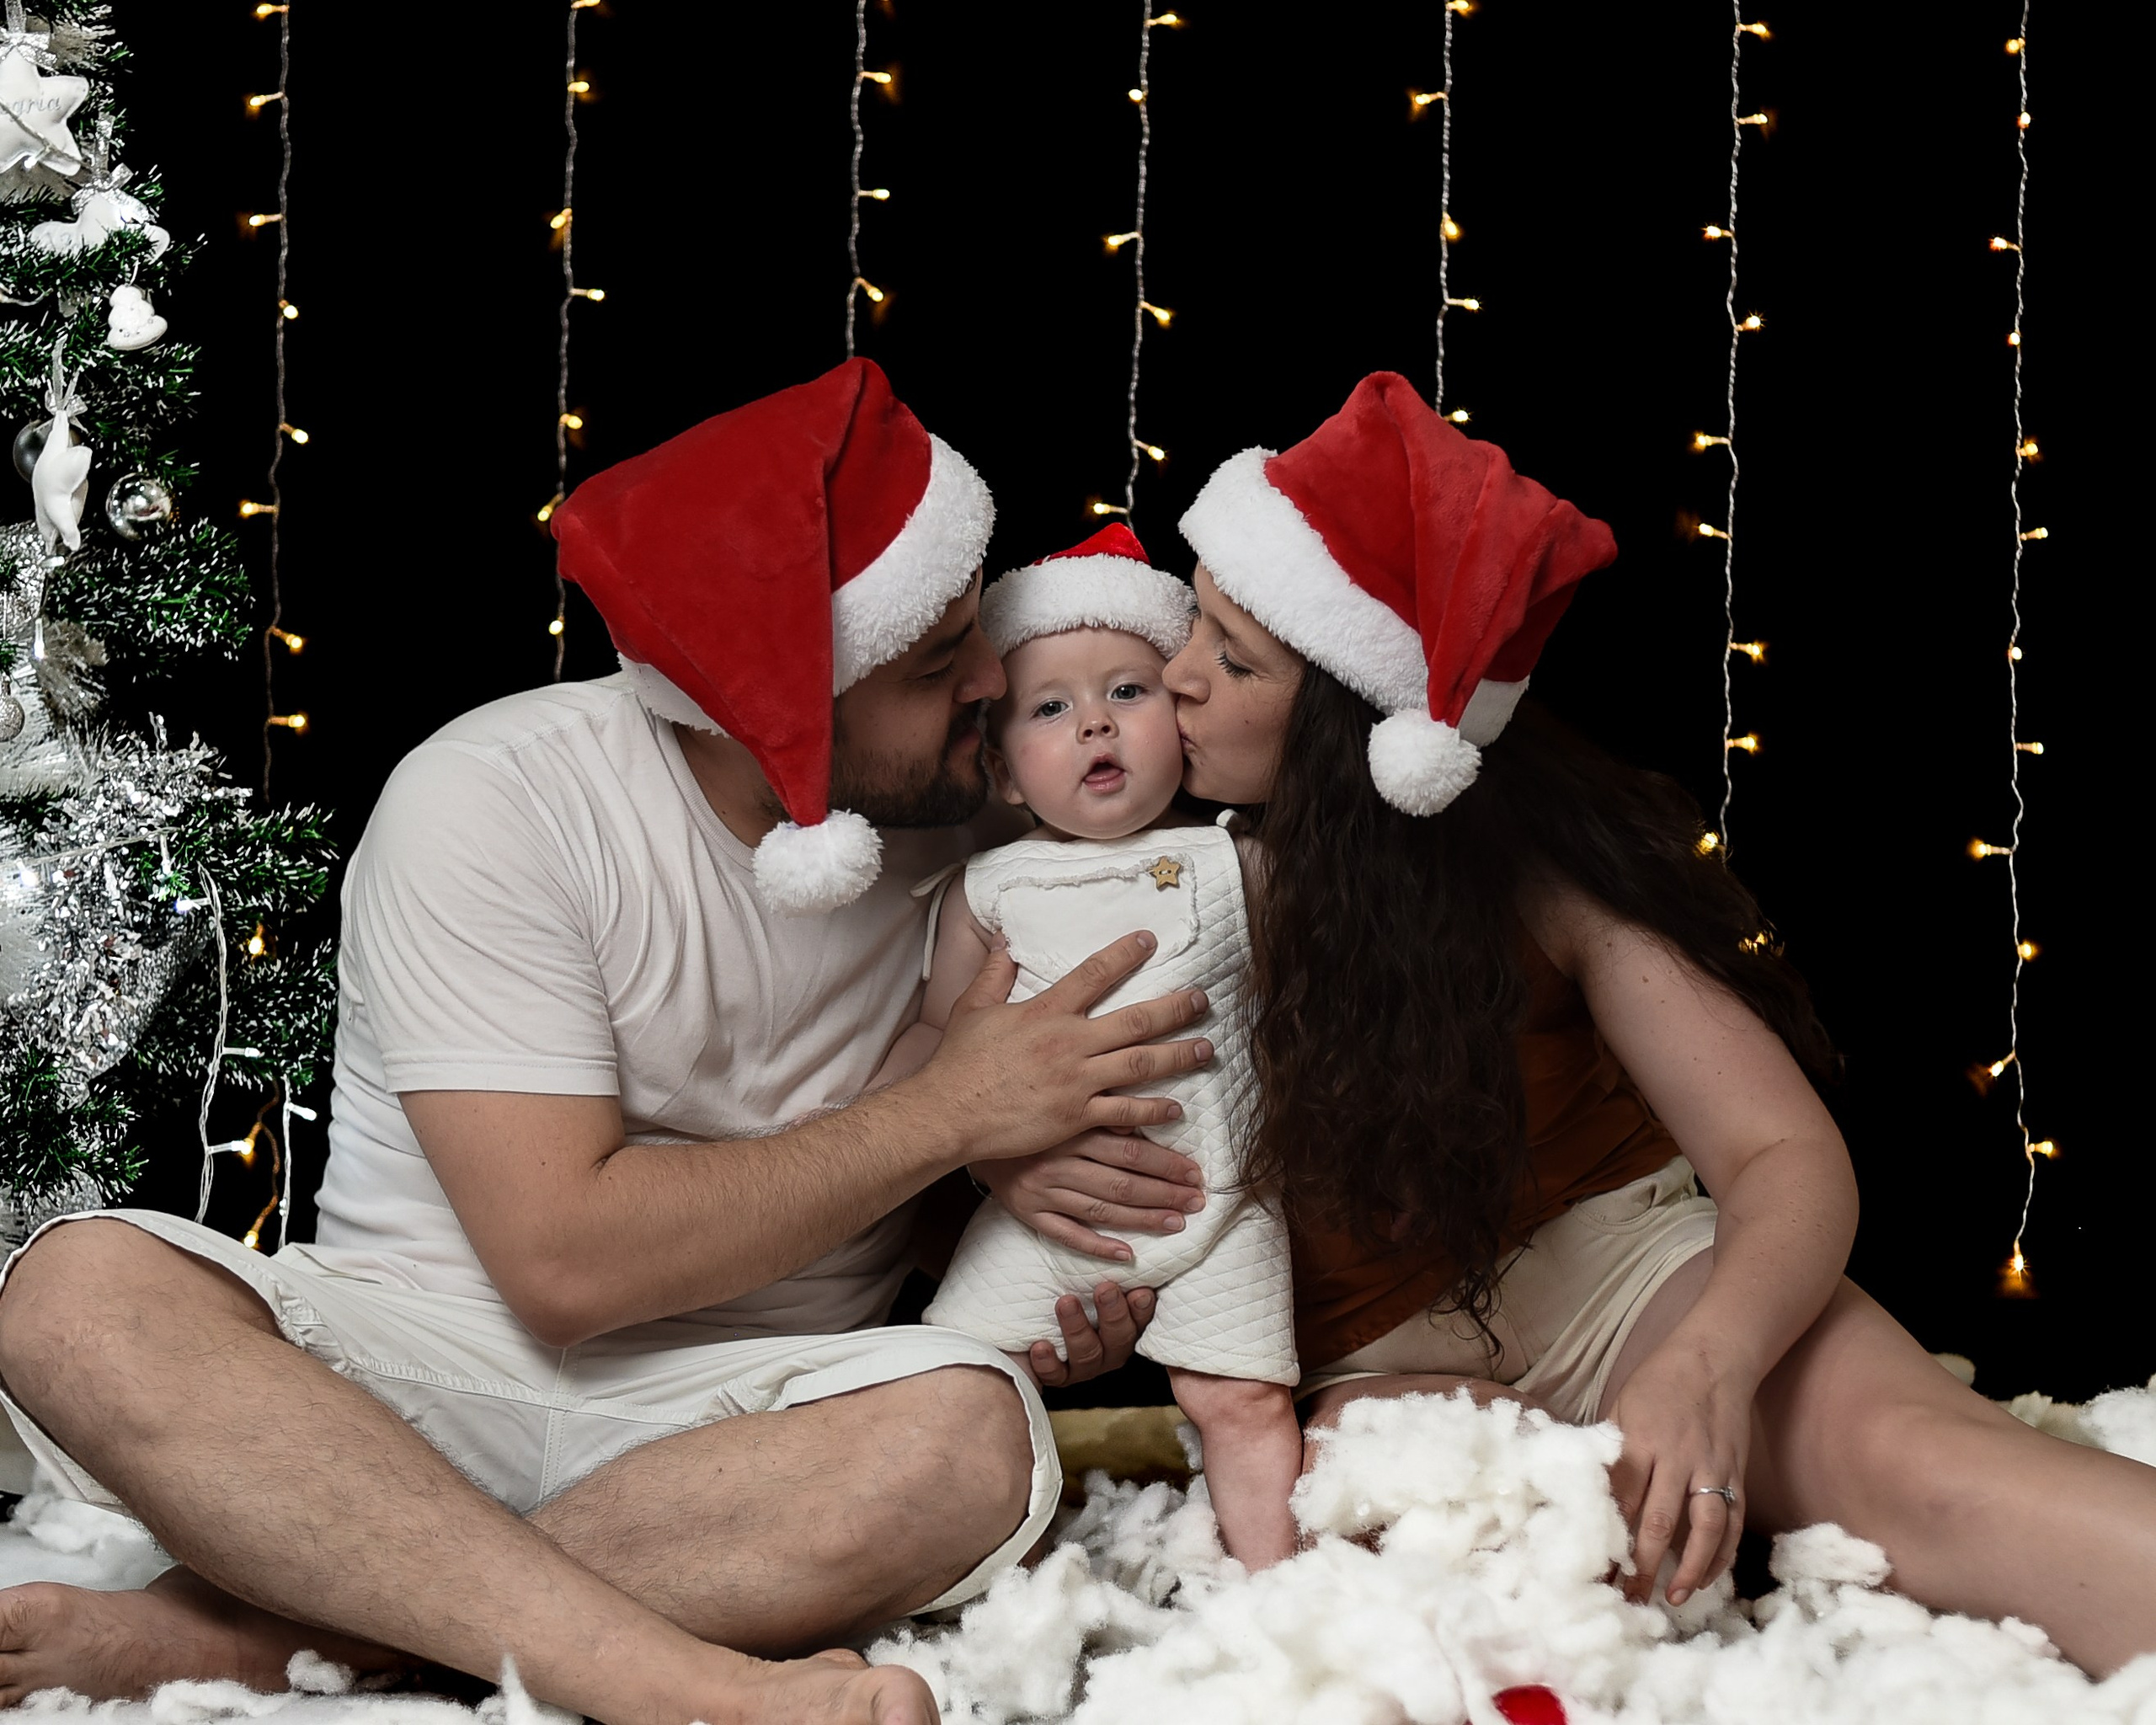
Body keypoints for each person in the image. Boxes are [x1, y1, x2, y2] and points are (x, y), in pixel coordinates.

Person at [0, 360, 1216, 1725]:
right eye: (939, 660)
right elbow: (566, 1262)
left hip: (750, 1417)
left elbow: (948, 1192)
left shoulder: (1009, 820)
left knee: (970, 1439)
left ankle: (277, 1639)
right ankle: (657, 1671)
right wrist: (955, 1111)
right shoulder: (497, 794)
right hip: (405, 1373)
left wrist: (1035, 1230)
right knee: (78, 1292)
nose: (1001, 680)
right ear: (780, 703)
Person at [982, 370, 2156, 1675]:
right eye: (1193, 628)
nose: (1172, 679)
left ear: (1355, 731)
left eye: (1232, 659)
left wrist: (1709, 1365)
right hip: (1379, 1370)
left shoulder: (1528, 860)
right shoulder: (1070, 879)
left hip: (1634, 1285)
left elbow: (1780, 1154)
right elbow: (976, 1136)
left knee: (1936, 1476)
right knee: (1463, 1624)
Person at [875, 524, 1302, 1570]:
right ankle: (967, 1575)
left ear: (1181, 722)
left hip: (1219, 1205)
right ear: (1007, 773)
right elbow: (941, 1038)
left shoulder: (1232, 859)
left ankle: (1279, 1588)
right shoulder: (989, 887)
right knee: (949, 1379)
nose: (1096, 725)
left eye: (1129, 691)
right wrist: (941, 1129)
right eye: (1052, 709)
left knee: (1244, 1399)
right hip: (1041, 1207)